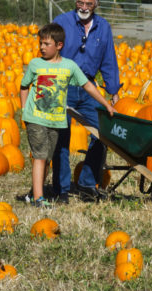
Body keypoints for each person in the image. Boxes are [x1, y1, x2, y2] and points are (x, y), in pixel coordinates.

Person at [18, 23, 115, 207]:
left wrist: (106, 104)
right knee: (39, 156)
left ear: (59, 45)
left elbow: (87, 86)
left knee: (47, 159)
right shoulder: (35, 64)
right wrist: (24, 110)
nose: (42, 47)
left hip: (56, 121)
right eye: (41, 43)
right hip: (35, 118)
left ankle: (34, 193)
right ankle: (39, 199)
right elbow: (24, 86)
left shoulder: (69, 66)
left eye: (46, 44)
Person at [51, 0, 121, 202]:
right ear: (75, 0)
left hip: (88, 88)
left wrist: (113, 89)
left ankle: (87, 183)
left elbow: (109, 60)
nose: (83, 7)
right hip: (63, 85)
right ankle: (61, 189)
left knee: (102, 132)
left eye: (88, 3)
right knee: (61, 136)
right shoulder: (61, 23)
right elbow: (47, 52)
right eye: (80, 2)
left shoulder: (104, 27)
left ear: (96, 3)